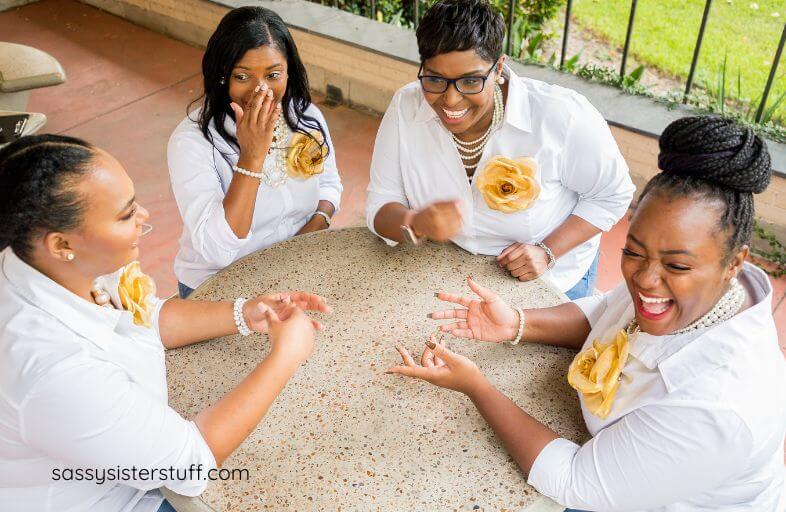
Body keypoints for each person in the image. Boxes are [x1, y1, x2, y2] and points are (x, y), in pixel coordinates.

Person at [388, 116, 786, 511]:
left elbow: (575, 482)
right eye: (633, 251)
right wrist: (517, 323)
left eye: (677, 267)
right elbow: (608, 310)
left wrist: (477, 386)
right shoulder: (703, 288)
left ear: (735, 263)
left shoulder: (717, 409)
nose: (646, 279)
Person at [0, 135, 331, 511]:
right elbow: (191, 466)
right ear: (61, 244)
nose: (144, 216)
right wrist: (285, 357)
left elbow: (144, 317)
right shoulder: (54, 371)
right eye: (126, 215)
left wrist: (245, 312)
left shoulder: (49, 261)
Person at [366, 0, 634, 299]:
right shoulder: (406, 107)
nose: (451, 100)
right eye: (435, 79)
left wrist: (548, 252)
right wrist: (414, 223)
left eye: (471, 81)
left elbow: (613, 194)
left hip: (550, 279)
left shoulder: (562, 116)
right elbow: (381, 202)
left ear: (499, 68)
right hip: (452, 276)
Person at [168, 6, 343, 298]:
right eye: (242, 77)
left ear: (289, 72)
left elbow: (329, 184)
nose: (260, 90)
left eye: (273, 74)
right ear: (223, 75)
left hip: (294, 270)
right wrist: (251, 157)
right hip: (219, 289)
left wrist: (315, 226)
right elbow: (217, 251)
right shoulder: (192, 142)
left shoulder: (305, 116)